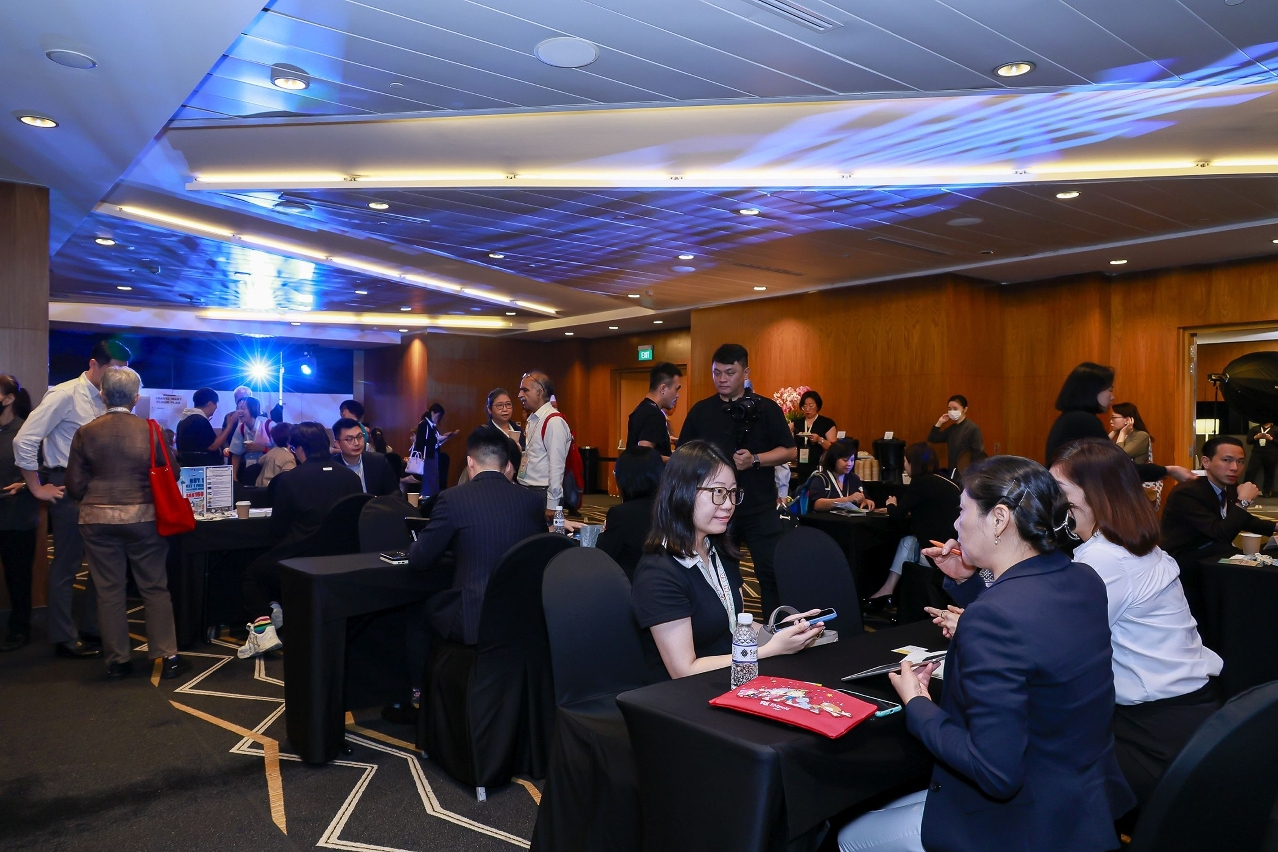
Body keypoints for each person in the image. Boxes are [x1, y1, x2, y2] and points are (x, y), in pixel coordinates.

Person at [837, 455, 1134, 852]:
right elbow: (1034, 627)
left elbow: (994, 772)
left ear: (998, 519)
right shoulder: (1084, 579)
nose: (956, 524)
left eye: (962, 511)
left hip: (1017, 824)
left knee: (848, 838)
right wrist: (970, 583)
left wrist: (918, 703)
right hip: (1079, 802)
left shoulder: (995, 617)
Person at [1051, 438, 1223, 807]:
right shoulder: (1135, 547)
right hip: (1195, 715)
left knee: (1039, 777)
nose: (1050, 501)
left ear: (1094, 495)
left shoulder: (1103, 559)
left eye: (1058, 490)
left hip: (1152, 732)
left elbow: (1053, 646)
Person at [630, 441, 823, 683]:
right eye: (718, 492)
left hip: (730, 678)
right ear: (681, 493)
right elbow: (684, 670)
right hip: (683, 694)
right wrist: (770, 649)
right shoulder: (658, 573)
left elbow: (735, 625)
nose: (729, 504)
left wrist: (777, 630)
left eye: (732, 493)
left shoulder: (719, 551)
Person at [64, 367, 190, 680]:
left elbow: (74, 485)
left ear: (102, 395)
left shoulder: (86, 432)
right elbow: (173, 472)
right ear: (136, 398)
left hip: (96, 519)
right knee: (154, 587)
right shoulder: (151, 430)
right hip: (144, 518)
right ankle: (168, 656)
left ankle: (118, 661)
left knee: (108, 590)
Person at [14, 339, 132, 659]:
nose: (117, 377)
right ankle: (63, 636)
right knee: (67, 563)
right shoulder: (65, 394)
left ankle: (92, 627)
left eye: (122, 371)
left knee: (101, 562)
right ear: (93, 364)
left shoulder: (109, 398)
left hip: (100, 488)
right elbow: (24, 440)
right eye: (113, 370)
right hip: (67, 485)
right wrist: (37, 487)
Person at [677, 344, 796, 618]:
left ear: (746, 372)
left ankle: (777, 629)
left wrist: (755, 459)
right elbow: (684, 454)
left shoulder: (766, 408)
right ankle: (725, 629)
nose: (721, 379)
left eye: (729, 373)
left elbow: (789, 451)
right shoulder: (701, 411)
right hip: (715, 510)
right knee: (719, 575)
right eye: (716, 373)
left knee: (770, 574)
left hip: (760, 507)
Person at [409, 425, 546, 645]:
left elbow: (420, 558)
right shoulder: (533, 500)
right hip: (523, 612)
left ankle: (437, 668)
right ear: (506, 465)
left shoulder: (452, 499)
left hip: (474, 615)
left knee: (415, 613)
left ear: (470, 463)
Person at [238, 421, 363, 658]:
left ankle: (264, 630)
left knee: (253, 575)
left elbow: (278, 529)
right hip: (344, 559)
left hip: (301, 559)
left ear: (299, 449)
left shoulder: (289, 480)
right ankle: (278, 613)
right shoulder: (351, 478)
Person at [1045, 362, 1193, 484]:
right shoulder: (1084, 420)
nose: (1112, 397)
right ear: (1092, 390)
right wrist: (1169, 470)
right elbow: (1118, 467)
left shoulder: (1070, 418)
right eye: (1109, 390)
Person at [865, 443, 962, 604]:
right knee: (908, 541)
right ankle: (890, 592)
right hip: (955, 550)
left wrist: (890, 504)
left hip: (937, 555)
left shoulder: (920, 483)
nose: (904, 465)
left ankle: (890, 592)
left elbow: (897, 515)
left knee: (906, 543)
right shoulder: (949, 482)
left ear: (913, 463)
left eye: (905, 461)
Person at [1160, 435, 1278, 558]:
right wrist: (1244, 501)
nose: (1234, 468)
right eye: (1226, 460)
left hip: (1215, 550)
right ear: (1206, 462)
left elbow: (1239, 519)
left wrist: (1275, 527)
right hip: (1186, 556)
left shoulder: (1230, 485)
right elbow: (1220, 534)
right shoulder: (1187, 492)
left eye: (1240, 461)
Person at [0, 374, 37, 652]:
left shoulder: (25, 432)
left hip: (17, 516)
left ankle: (20, 627)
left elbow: (44, 469)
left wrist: (24, 485)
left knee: (18, 576)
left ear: (9, 399)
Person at [598, 448, 665, 579]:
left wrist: (603, 533)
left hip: (631, 584)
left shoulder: (620, 514)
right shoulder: (672, 508)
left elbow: (603, 556)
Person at [517, 371, 574, 519]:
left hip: (543, 495)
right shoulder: (534, 419)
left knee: (545, 534)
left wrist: (552, 504)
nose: (519, 395)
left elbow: (557, 466)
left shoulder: (554, 422)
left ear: (539, 392)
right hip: (528, 491)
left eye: (525, 390)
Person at [627, 362, 682, 458]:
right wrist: (673, 461)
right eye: (676, 389)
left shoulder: (641, 409)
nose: (678, 395)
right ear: (663, 388)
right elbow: (644, 455)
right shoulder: (654, 415)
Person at [331, 417, 398, 496]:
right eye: (349, 439)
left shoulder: (379, 461)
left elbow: (395, 493)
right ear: (337, 444)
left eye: (359, 436)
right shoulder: (332, 467)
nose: (356, 443)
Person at [806, 440, 875, 512]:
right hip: (826, 518)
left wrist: (866, 501)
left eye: (852, 460)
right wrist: (847, 499)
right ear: (834, 459)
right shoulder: (821, 478)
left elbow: (864, 497)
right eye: (845, 460)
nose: (849, 464)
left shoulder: (854, 478)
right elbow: (817, 505)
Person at [927, 394, 985, 478]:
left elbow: (979, 455)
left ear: (965, 409)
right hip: (952, 472)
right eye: (949, 409)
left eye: (955, 409)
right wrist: (940, 422)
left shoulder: (973, 429)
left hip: (966, 475)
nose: (952, 411)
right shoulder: (952, 429)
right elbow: (932, 438)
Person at [175, 387, 233, 467]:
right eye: (215, 404)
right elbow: (213, 446)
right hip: (202, 468)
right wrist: (229, 425)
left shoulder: (184, 420)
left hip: (187, 466)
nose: (216, 407)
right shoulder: (200, 420)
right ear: (209, 404)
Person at [793, 390, 837, 486]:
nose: (807, 409)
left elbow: (833, 448)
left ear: (818, 405)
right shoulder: (797, 423)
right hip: (801, 466)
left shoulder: (827, 423)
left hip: (820, 467)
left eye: (811, 405)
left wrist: (819, 440)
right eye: (804, 406)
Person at [229, 396, 269, 483]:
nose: (239, 411)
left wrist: (263, 448)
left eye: (242, 408)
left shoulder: (268, 426)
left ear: (253, 409)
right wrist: (234, 477)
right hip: (250, 470)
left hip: (268, 470)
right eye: (238, 408)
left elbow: (282, 450)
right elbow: (236, 454)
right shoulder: (241, 428)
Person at [255, 422, 296, 487]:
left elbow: (260, 461)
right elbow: (289, 481)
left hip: (259, 488)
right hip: (274, 490)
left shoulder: (272, 451)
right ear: (290, 439)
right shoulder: (289, 457)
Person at [1245, 421, 1278, 498]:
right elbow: (1248, 441)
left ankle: (1266, 492)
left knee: (1269, 473)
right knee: (1250, 471)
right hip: (1257, 453)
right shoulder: (1255, 428)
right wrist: (1256, 437)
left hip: (1271, 453)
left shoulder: (1276, 429)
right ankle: (1245, 489)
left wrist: (1271, 438)